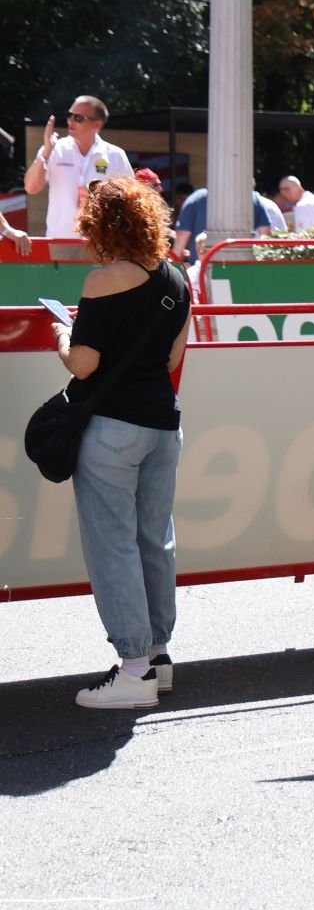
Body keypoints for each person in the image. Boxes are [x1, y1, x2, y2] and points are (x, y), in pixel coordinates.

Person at [52, 177, 194, 708]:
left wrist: (62, 335)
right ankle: (157, 658)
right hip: (163, 423)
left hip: (112, 428)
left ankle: (133, 670)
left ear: (101, 226)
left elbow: (84, 364)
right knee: (154, 540)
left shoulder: (102, 279)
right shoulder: (178, 278)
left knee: (112, 545)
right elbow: (173, 359)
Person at [23, 95, 134, 238]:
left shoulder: (115, 155)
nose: (70, 121)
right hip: (60, 240)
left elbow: (130, 202)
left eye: (78, 118)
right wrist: (45, 152)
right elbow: (31, 188)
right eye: (70, 115)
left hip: (102, 243)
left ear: (97, 124)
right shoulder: (54, 149)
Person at [171, 185, 287, 263]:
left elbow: (182, 236)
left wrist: (174, 262)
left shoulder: (195, 199)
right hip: (244, 267)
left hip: (202, 268)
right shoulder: (254, 198)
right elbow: (265, 237)